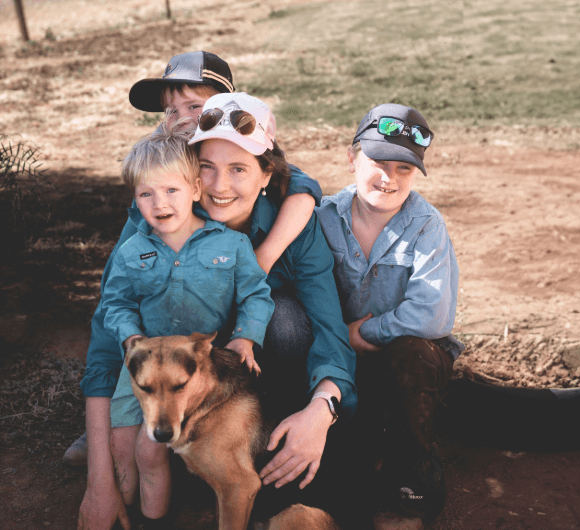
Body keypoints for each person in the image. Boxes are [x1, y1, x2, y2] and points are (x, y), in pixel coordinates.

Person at [77, 91, 356, 530]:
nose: (220, 187)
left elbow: (329, 329)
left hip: (254, 370)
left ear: (267, 176)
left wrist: (321, 410)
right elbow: (106, 329)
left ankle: (253, 441)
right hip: (176, 366)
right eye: (206, 168)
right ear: (191, 176)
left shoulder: (296, 222)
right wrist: (99, 481)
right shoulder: (158, 215)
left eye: (239, 170)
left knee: (283, 320)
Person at [65, 50, 320, 465]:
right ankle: (135, 410)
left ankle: (267, 419)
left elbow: (299, 179)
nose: (182, 119)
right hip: (179, 329)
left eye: (195, 107)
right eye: (171, 110)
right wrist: (98, 438)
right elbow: (114, 300)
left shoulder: (252, 157)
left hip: (244, 316)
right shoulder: (162, 187)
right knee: (146, 295)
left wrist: (273, 244)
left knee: (284, 321)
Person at [100, 124, 275, 521]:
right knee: (128, 449)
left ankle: (160, 516)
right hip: (145, 361)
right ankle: (141, 515)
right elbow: (116, 303)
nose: (159, 203)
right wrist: (130, 337)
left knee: (155, 448)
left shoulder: (231, 244)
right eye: (146, 193)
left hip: (199, 361)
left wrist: (247, 338)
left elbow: (255, 295)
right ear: (135, 198)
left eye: (171, 190)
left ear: (196, 189)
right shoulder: (132, 251)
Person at [316, 103, 464, 525]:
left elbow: (432, 316)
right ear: (351, 158)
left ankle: (413, 480)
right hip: (339, 361)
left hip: (407, 365)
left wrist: (361, 332)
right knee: (348, 478)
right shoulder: (322, 218)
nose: (390, 178)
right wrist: (339, 341)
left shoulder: (425, 224)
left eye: (404, 169)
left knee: (413, 353)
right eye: (379, 162)